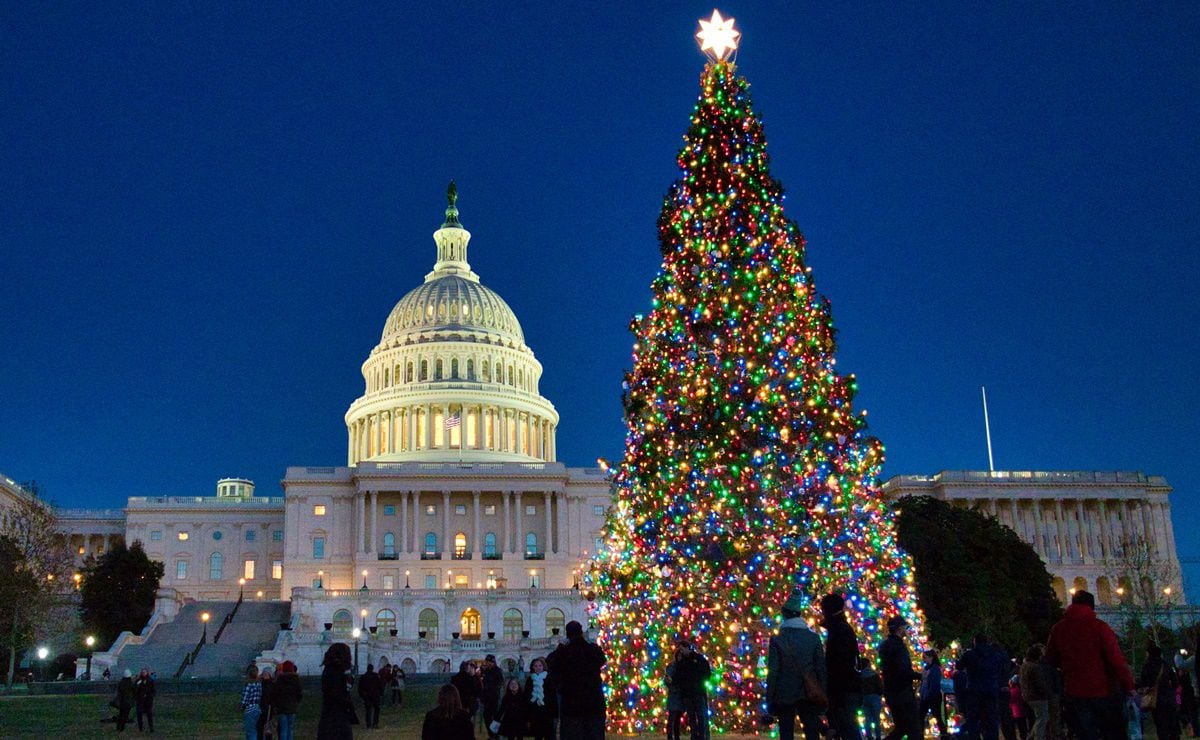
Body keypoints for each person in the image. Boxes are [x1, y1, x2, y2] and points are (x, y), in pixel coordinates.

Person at [1044, 590, 1134, 740]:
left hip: (1074, 691)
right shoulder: (1100, 627)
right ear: (1092, 606)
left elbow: (1050, 659)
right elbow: (1116, 659)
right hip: (1103, 690)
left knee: (1084, 733)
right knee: (1113, 732)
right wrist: (1129, 686)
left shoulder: (1058, 629)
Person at [765, 590, 827, 740]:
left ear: (784, 615)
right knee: (811, 728)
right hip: (809, 690)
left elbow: (774, 670)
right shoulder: (813, 638)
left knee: (786, 730)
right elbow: (820, 668)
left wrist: (770, 697)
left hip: (784, 691)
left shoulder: (777, 639)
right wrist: (823, 691)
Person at [547, 619, 607, 740]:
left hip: (571, 705)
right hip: (593, 703)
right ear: (582, 632)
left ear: (568, 634)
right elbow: (602, 660)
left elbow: (550, 663)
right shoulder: (592, 650)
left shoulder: (562, 653)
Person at [820, 593, 863, 740]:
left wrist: (832, 688)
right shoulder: (841, 628)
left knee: (847, 727)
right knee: (846, 726)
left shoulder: (839, 631)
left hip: (842, 689)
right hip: (846, 687)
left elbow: (840, 663)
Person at [878, 614, 922, 740]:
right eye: (904, 628)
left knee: (901, 727)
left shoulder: (885, 645)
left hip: (890, 689)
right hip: (902, 690)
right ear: (899, 629)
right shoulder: (898, 646)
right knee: (913, 727)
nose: (906, 630)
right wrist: (919, 676)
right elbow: (902, 669)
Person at [962, 633, 1009, 740]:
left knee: (973, 720)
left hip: (974, 691)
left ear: (975, 641)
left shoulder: (970, 654)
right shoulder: (996, 654)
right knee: (991, 720)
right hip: (991, 691)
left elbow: (960, 666)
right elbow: (1003, 668)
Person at [672, 636, 712, 740]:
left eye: (682, 649)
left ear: (687, 648)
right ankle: (694, 737)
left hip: (698, 693)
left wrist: (700, 683)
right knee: (692, 719)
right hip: (687, 695)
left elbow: (707, 672)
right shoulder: (681, 663)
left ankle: (703, 737)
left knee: (701, 717)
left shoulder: (699, 659)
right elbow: (678, 677)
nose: (681, 652)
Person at [1140, 642, 1180, 740]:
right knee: (1173, 725)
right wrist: (1178, 700)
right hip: (1169, 698)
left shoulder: (1147, 667)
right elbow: (1176, 682)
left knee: (1161, 727)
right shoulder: (1166, 665)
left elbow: (1143, 684)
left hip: (1156, 700)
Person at [316, 643, 356, 740]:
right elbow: (338, 693)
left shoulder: (330, 670)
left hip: (331, 717)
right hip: (336, 718)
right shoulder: (335, 672)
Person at [1019, 645, 1053, 740]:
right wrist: (1048, 693)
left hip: (1027, 696)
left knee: (1039, 719)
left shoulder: (1024, 666)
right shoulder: (1035, 667)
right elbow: (1040, 684)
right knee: (1042, 719)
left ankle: (1030, 737)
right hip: (1038, 697)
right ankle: (1038, 737)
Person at [523, 656, 557, 740]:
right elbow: (526, 697)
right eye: (536, 666)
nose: (538, 668)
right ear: (532, 667)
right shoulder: (530, 680)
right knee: (538, 736)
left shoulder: (549, 679)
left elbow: (553, 697)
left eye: (540, 665)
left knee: (550, 736)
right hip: (535, 712)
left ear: (543, 666)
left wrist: (555, 714)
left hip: (547, 712)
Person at [919, 649, 948, 736]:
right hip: (925, 696)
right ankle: (920, 734)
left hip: (932, 697)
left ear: (931, 657)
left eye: (925, 657)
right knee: (921, 716)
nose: (923, 659)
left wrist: (929, 695)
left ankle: (944, 734)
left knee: (937, 716)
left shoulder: (934, 669)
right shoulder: (926, 668)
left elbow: (934, 684)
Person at [272, 660, 303, 740]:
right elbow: (299, 694)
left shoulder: (280, 679)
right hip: (292, 707)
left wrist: (276, 705)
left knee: (283, 730)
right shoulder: (296, 679)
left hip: (282, 707)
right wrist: (297, 702)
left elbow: (275, 693)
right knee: (290, 729)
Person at [481, 654, 506, 738]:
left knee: (496, 717)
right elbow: (484, 682)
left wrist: (493, 688)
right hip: (487, 697)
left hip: (495, 697)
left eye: (489, 662)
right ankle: (491, 733)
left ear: (493, 662)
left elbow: (501, 682)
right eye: (487, 662)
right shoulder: (486, 671)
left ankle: (497, 734)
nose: (488, 663)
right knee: (486, 716)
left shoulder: (498, 670)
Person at [860, 657, 885, 740]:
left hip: (864, 698)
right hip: (875, 698)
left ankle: (869, 737)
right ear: (868, 664)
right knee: (876, 719)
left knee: (867, 719)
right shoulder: (874, 674)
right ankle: (878, 737)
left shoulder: (860, 675)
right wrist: (880, 694)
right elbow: (880, 687)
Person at [665, 645, 686, 740]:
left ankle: (676, 736)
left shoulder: (684, 667)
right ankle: (670, 736)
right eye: (679, 656)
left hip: (680, 695)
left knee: (677, 718)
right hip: (674, 695)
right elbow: (667, 680)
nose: (680, 658)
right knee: (672, 718)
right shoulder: (672, 666)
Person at [357, 663, 384, 729]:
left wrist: (363, 695)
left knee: (368, 710)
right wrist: (381, 693)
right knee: (376, 709)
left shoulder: (363, 677)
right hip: (375, 695)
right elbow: (380, 685)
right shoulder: (375, 676)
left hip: (367, 695)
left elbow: (360, 688)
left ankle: (368, 724)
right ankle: (375, 723)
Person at [240, 665, 263, 740]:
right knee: (254, 730)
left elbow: (244, 699)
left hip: (249, 709)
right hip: (257, 708)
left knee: (250, 731)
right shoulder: (259, 684)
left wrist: (241, 707)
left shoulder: (248, 685)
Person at [134, 668, 155, 732]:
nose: (143, 673)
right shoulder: (138, 681)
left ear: (147, 673)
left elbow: (153, 691)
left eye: (144, 672)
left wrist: (149, 696)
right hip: (140, 701)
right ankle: (140, 728)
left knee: (149, 714)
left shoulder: (150, 681)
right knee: (139, 714)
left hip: (148, 701)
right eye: (142, 672)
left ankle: (151, 728)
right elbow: (135, 690)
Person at [257, 668, 275, 740]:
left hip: (268, 708)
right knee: (259, 727)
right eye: (264, 674)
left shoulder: (271, 685)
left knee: (267, 728)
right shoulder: (260, 684)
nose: (264, 675)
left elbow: (271, 696)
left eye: (266, 674)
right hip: (261, 708)